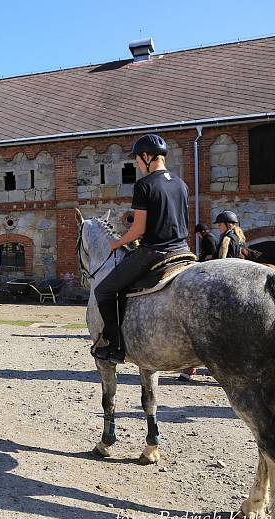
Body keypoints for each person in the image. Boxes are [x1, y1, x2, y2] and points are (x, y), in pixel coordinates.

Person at [92, 134, 190, 365]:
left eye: (137, 160)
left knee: (104, 291)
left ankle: (115, 347)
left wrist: (116, 243)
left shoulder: (145, 185)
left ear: (147, 156)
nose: (137, 164)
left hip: (155, 252)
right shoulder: (181, 184)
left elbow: (138, 229)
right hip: (183, 250)